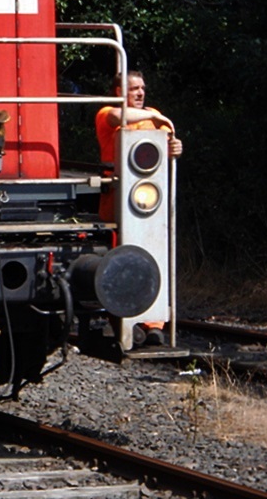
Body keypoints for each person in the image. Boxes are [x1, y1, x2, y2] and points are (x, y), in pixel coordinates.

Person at [95, 70, 182, 346]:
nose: (140, 93)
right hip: (117, 197)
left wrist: (176, 148)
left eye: (142, 88)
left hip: (148, 201)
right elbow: (120, 118)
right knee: (118, 257)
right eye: (133, 89)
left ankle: (154, 323)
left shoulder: (153, 116)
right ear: (118, 91)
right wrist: (156, 118)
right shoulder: (107, 113)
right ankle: (121, 320)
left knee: (152, 252)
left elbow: (168, 143)